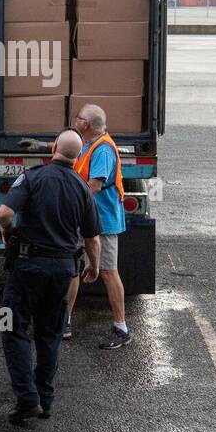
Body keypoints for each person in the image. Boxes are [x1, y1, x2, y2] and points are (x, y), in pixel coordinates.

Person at [0, 129, 101, 425]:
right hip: (63, 272)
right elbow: (93, 237)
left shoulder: (32, 177)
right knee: (50, 333)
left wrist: (8, 232)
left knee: (11, 327)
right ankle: (45, 398)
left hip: (28, 268)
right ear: (77, 156)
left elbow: (4, 213)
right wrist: (93, 266)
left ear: (53, 148)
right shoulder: (82, 188)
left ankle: (27, 399)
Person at [65, 103, 130, 350]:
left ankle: (121, 327)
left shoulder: (102, 150)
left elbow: (93, 186)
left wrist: (66, 201)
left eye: (78, 117)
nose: (76, 119)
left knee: (107, 271)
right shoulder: (89, 143)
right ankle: (65, 321)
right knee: (73, 267)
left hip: (102, 222)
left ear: (86, 124)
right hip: (86, 218)